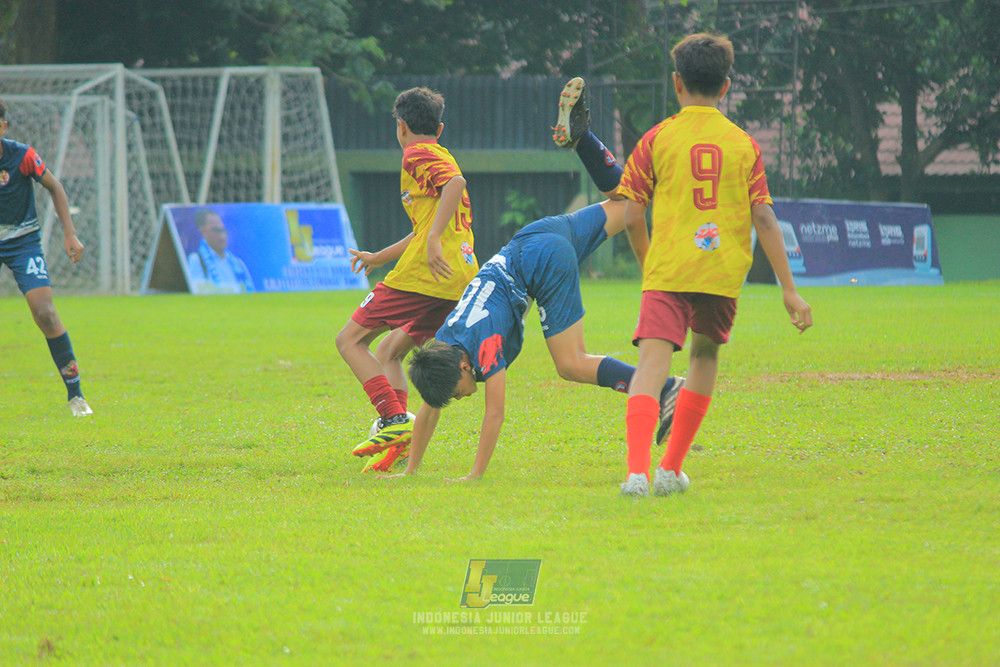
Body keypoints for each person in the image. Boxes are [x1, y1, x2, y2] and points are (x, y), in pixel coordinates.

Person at [380, 79, 682, 482]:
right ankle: (584, 140)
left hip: (541, 262)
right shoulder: (445, 345)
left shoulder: (481, 346)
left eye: (457, 391)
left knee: (571, 363)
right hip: (534, 237)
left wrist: (473, 476)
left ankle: (662, 388)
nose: (459, 397)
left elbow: (495, 412)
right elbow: (431, 406)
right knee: (627, 203)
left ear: (465, 366)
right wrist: (411, 471)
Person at [617, 33, 813, 497]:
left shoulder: (656, 138)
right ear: (725, 87)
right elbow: (764, 218)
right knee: (704, 356)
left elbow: (630, 216)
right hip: (720, 272)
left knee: (651, 365)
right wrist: (789, 289)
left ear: (676, 83)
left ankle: (636, 474)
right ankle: (670, 470)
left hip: (668, 271)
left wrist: (649, 264)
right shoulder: (744, 145)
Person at [337, 86, 478, 473]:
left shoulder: (416, 154)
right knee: (389, 352)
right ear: (440, 128)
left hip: (427, 274)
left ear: (401, 127)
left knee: (350, 340)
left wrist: (433, 241)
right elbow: (424, 227)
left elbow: (455, 184)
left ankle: (393, 418)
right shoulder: (441, 153)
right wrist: (379, 257)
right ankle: (398, 440)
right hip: (457, 275)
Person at [0, 98, 93, 417]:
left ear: (3, 127)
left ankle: (76, 396)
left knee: (45, 313)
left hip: (22, 241)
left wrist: (70, 233)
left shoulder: (23, 155)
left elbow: (55, 187)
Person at [186, 208, 255, 294]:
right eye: (216, 230)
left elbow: (250, 291)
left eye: (223, 230)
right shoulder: (196, 260)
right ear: (203, 232)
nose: (222, 236)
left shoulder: (238, 262)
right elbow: (199, 292)